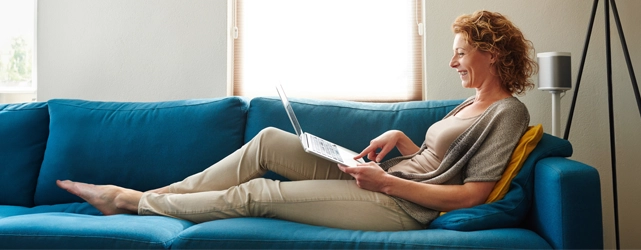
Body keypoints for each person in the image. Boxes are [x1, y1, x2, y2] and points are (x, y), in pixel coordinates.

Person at [56, 10, 537, 231]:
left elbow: (472, 193)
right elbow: (440, 159)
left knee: (259, 193)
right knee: (268, 139)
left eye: (460, 53)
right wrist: (403, 142)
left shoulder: (508, 112)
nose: (453, 63)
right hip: (389, 178)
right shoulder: (467, 104)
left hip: (404, 205)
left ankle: (132, 203)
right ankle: (163, 196)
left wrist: (386, 184)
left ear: (491, 53)